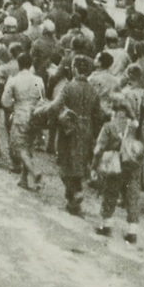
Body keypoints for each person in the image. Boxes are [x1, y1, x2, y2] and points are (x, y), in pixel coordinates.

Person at [47, 54, 95, 215]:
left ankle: (74, 193)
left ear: (74, 69)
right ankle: (73, 201)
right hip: (87, 128)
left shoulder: (68, 87)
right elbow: (98, 113)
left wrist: (48, 114)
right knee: (79, 162)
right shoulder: (92, 90)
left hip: (70, 128)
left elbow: (55, 106)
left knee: (64, 162)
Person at [93, 94, 143, 244]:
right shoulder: (135, 127)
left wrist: (94, 166)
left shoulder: (109, 126)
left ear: (114, 110)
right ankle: (132, 231)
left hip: (116, 165)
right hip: (132, 166)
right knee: (132, 197)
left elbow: (99, 149)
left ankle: (107, 225)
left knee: (110, 193)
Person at [0, 52, 45, 191]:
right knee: (28, 146)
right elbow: (42, 98)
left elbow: (5, 102)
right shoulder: (38, 80)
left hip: (20, 114)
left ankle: (34, 172)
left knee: (18, 147)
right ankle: (23, 179)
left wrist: (14, 104)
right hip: (35, 114)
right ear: (30, 64)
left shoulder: (13, 80)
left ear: (19, 65)